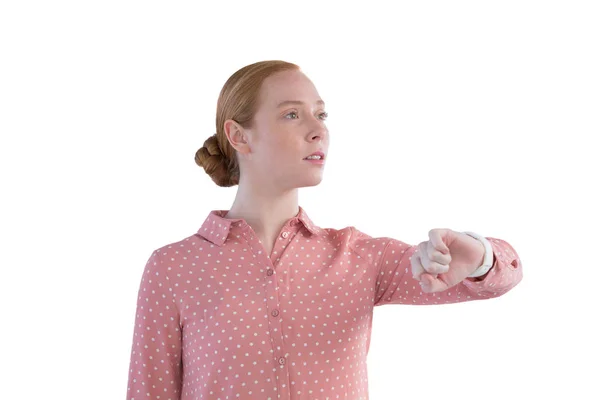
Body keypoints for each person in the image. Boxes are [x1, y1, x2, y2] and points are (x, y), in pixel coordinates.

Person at [125, 60, 523, 400]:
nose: (319, 130)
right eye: (292, 114)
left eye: (322, 114)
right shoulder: (172, 269)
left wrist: (479, 258)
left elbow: (501, 275)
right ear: (238, 135)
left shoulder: (358, 257)